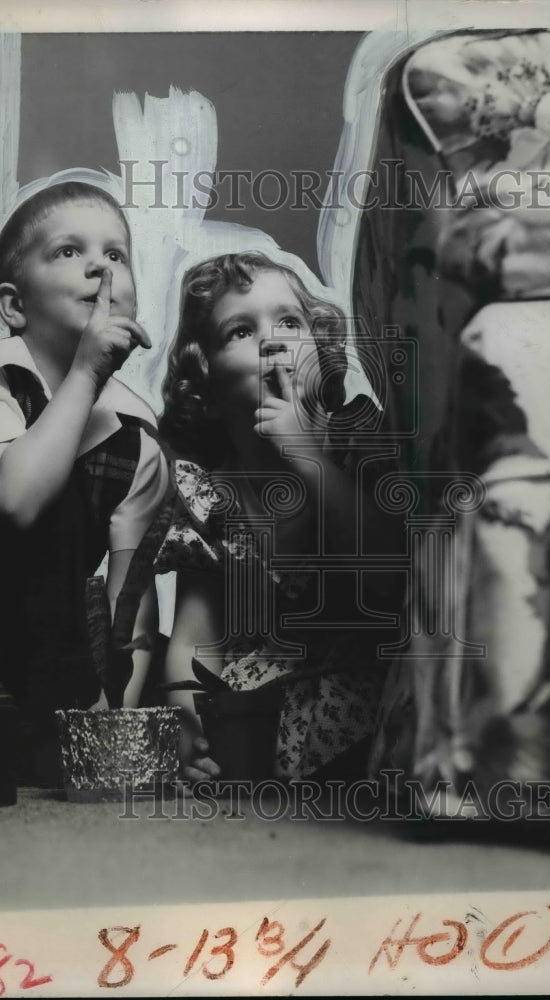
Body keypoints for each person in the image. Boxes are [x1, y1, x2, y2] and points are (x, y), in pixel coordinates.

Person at [155, 251, 398, 784]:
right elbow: (197, 637)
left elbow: (389, 580)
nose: (274, 341)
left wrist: (309, 457)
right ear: (208, 386)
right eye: (241, 331)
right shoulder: (210, 495)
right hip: (257, 713)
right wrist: (186, 722)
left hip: (365, 696)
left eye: (290, 321)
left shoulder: (361, 443)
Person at [0, 181, 168, 786]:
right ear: (15, 307)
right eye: (69, 251)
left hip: (65, 648)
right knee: (54, 501)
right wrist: (87, 373)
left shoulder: (137, 437)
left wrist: (116, 714)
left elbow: (130, 597)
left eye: (116, 255)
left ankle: (73, 726)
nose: (99, 264)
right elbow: (16, 503)